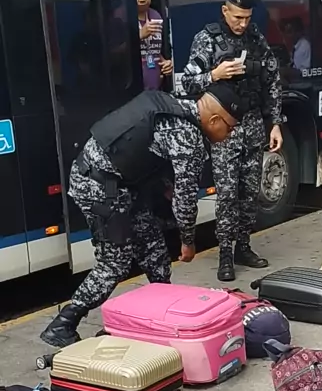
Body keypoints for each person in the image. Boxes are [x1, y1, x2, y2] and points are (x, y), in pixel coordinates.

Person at [40, 84, 244, 348]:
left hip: (120, 184)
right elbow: (184, 201)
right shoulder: (189, 137)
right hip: (97, 186)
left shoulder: (173, 105)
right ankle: (63, 324)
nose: (229, 134)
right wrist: (188, 241)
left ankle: (163, 314)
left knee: (154, 251)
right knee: (115, 263)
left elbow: (146, 153)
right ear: (214, 120)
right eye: (230, 128)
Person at [182, 0, 284, 282]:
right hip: (224, 129)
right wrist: (214, 75)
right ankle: (225, 254)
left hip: (253, 125)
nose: (242, 23)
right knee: (227, 195)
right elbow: (186, 83)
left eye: (247, 18)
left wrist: (275, 122)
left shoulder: (255, 37)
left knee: (249, 192)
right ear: (225, 11)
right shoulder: (207, 39)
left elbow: (272, 78)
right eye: (238, 17)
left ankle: (244, 247)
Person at [136, 0, 173, 91]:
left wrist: (165, 63)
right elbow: (113, 54)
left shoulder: (156, 16)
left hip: (155, 90)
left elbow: (153, 50)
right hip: (133, 92)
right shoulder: (121, 16)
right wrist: (139, 35)